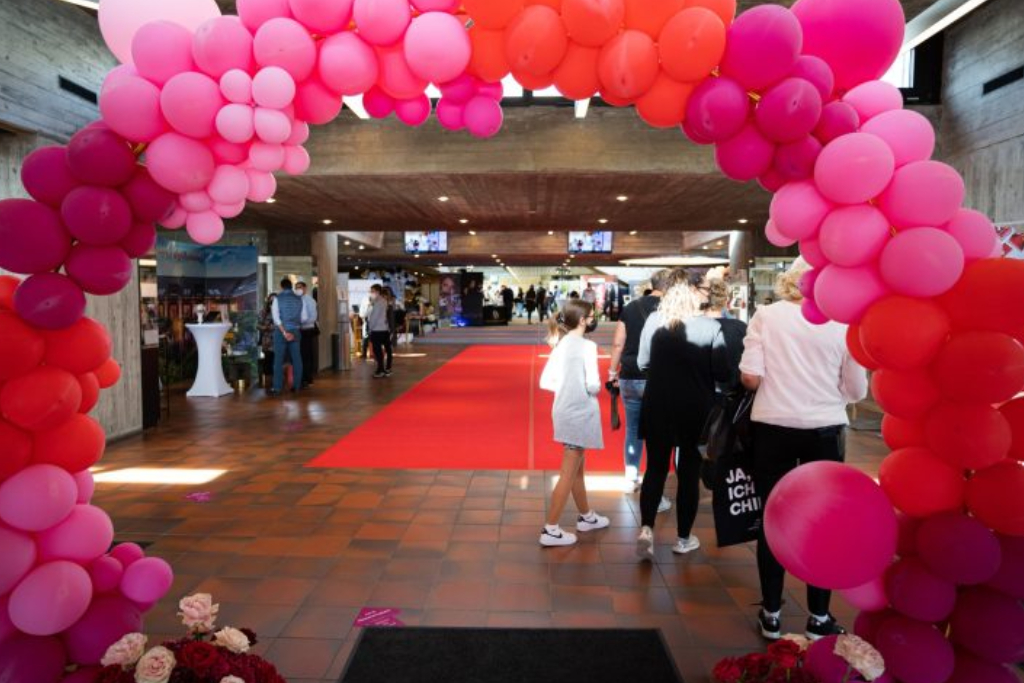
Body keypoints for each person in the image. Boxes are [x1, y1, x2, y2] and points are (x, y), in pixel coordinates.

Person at [739, 258, 867, 641]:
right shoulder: (842, 324)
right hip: (824, 431)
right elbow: (857, 390)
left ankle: (772, 613)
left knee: (771, 517)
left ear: (788, 282)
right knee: (822, 523)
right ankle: (818, 617)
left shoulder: (766, 315)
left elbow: (750, 377)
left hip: (772, 428)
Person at [635, 276, 734, 559]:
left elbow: (642, 363)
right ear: (694, 299)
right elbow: (723, 373)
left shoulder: (654, 322)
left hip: (658, 405)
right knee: (689, 474)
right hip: (696, 409)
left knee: (654, 468)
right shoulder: (710, 327)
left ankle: (646, 528)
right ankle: (683, 538)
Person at [538, 298, 610, 547]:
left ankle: (587, 516)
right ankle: (550, 529)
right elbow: (593, 384)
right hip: (580, 411)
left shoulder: (561, 344)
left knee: (577, 467)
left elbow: (545, 382)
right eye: (591, 316)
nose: (593, 320)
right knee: (569, 472)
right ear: (582, 320)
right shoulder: (586, 347)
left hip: (563, 409)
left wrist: (567, 387)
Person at [607, 268, 677, 519]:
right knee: (658, 434)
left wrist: (612, 372)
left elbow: (618, 342)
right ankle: (654, 487)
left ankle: (630, 477)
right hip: (658, 378)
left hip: (629, 375)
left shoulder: (632, 307)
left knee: (633, 429)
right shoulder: (673, 310)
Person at [269, 278, 308, 395]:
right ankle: (296, 386)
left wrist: (285, 332)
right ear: (291, 287)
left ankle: (277, 388)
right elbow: (305, 318)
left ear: (281, 287)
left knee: (278, 360)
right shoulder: (300, 299)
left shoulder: (277, 299)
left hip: (281, 332)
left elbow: (276, 319)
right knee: (297, 359)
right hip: (295, 331)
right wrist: (294, 326)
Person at [366, 284, 393, 378]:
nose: (370, 293)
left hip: (377, 329)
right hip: (384, 329)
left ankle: (380, 369)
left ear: (377, 292)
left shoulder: (378, 302)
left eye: (372, 291)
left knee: (377, 351)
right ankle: (383, 369)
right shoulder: (383, 301)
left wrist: (370, 329)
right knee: (382, 350)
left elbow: (374, 317)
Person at [296, 281, 318, 388]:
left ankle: (307, 378)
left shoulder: (310, 301)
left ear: (305, 288)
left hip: (307, 330)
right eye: (296, 287)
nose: (298, 289)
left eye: (300, 287)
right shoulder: (296, 300)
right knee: (300, 355)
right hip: (299, 330)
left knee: (306, 355)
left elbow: (313, 317)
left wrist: (301, 322)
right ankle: (302, 377)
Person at [258, 293, 277, 388]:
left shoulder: (281, 311)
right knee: (268, 360)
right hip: (267, 340)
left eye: (275, 300)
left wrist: (272, 327)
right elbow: (257, 325)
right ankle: (268, 382)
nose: (272, 302)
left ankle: (277, 381)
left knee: (277, 361)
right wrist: (264, 327)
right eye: (271, 300)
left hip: (278, 340)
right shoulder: (263, 312)